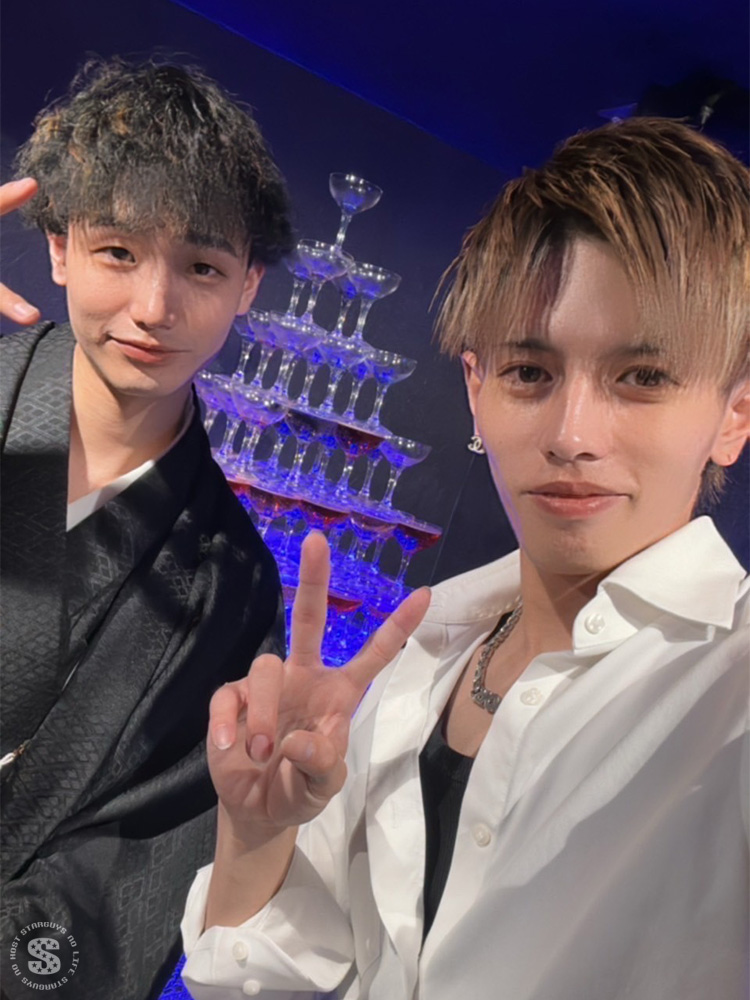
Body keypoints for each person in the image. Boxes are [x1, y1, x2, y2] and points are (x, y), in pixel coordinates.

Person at [180, 115, 750, 1000]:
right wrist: (257, 834)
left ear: (734, 415)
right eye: (531, 373)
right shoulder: (420, 661)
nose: (572, 435)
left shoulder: (725, 686)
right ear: (477, 390)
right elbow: (266, 981)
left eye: (642, 378)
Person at [0, 58, 293, 1000]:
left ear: (247, 285)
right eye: (119, 251)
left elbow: (134, 870)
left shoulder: (235, 583)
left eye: (202, 267)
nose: (154, 309)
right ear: (59, 247)